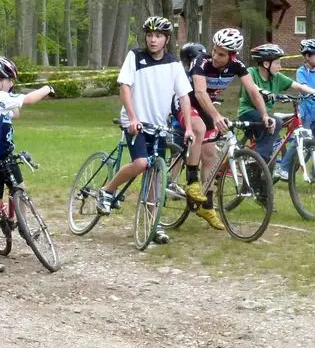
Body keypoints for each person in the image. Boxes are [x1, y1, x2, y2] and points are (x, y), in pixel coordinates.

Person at [95, 16, 195, 245]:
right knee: (141, 163)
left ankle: (154, 223)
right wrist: (132, 117)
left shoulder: (173, 64)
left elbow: (184, 97)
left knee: (156, 175)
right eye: (150, 35)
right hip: (136, 123)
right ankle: (107, 191)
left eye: (158, 36)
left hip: (158, 125)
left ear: (166, 39)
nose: (153, 40)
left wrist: (189, 127)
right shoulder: (135, 57)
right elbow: (125, 87)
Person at [182, 28, 274, 230]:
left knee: (211, 157)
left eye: (221, 54)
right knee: (197, 128)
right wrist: (216, 116)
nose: (215, 56)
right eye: (214, 50)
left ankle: (207, 205)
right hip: (187, 103)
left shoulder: (238, 66)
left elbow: (253, 91)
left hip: (206, 107)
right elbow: (199, 92)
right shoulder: (201, 62)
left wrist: (265, 115)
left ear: (233, 56)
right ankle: (191, 182)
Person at [0, 53, 54, 272]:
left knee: (20, 190)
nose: (11, 84)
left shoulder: (0, 98)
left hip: (8, 157)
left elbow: (16, 113)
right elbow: (28, 100)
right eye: (8, 80)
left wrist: (11, 93)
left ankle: (21, 223)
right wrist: (47, 88)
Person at [237, 43, 315, 177]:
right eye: (277, 63)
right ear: (266, 64)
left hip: (265, 114)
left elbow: (298, 86)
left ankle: (263, 168)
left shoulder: (277, 77)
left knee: (273, 130)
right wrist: (264, 92)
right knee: (276, 122)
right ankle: (258, 161)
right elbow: (253, 88)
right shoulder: (251, 72)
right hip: (248, 112)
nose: (280, 66)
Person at [276, 38, 315, 180]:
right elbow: (305, 88)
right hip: (306, 110)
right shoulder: (301, 71)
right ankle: (283, 168)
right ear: (307, 56)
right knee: (300, 140)